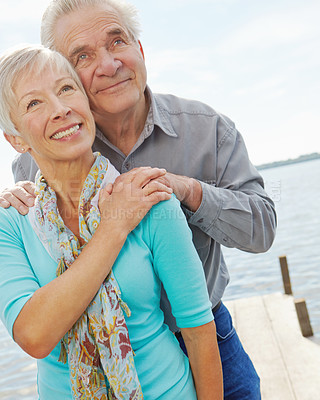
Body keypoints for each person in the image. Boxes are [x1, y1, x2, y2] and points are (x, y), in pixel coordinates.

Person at [0, 0, 277, 397]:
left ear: (140, 49)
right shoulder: (48, 149)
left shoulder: (207, 130)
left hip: (203, 340)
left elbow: (262, 229)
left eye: (117, 41)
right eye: (83, 55)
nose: (109, 64)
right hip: (86, 362)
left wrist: (190, 192)